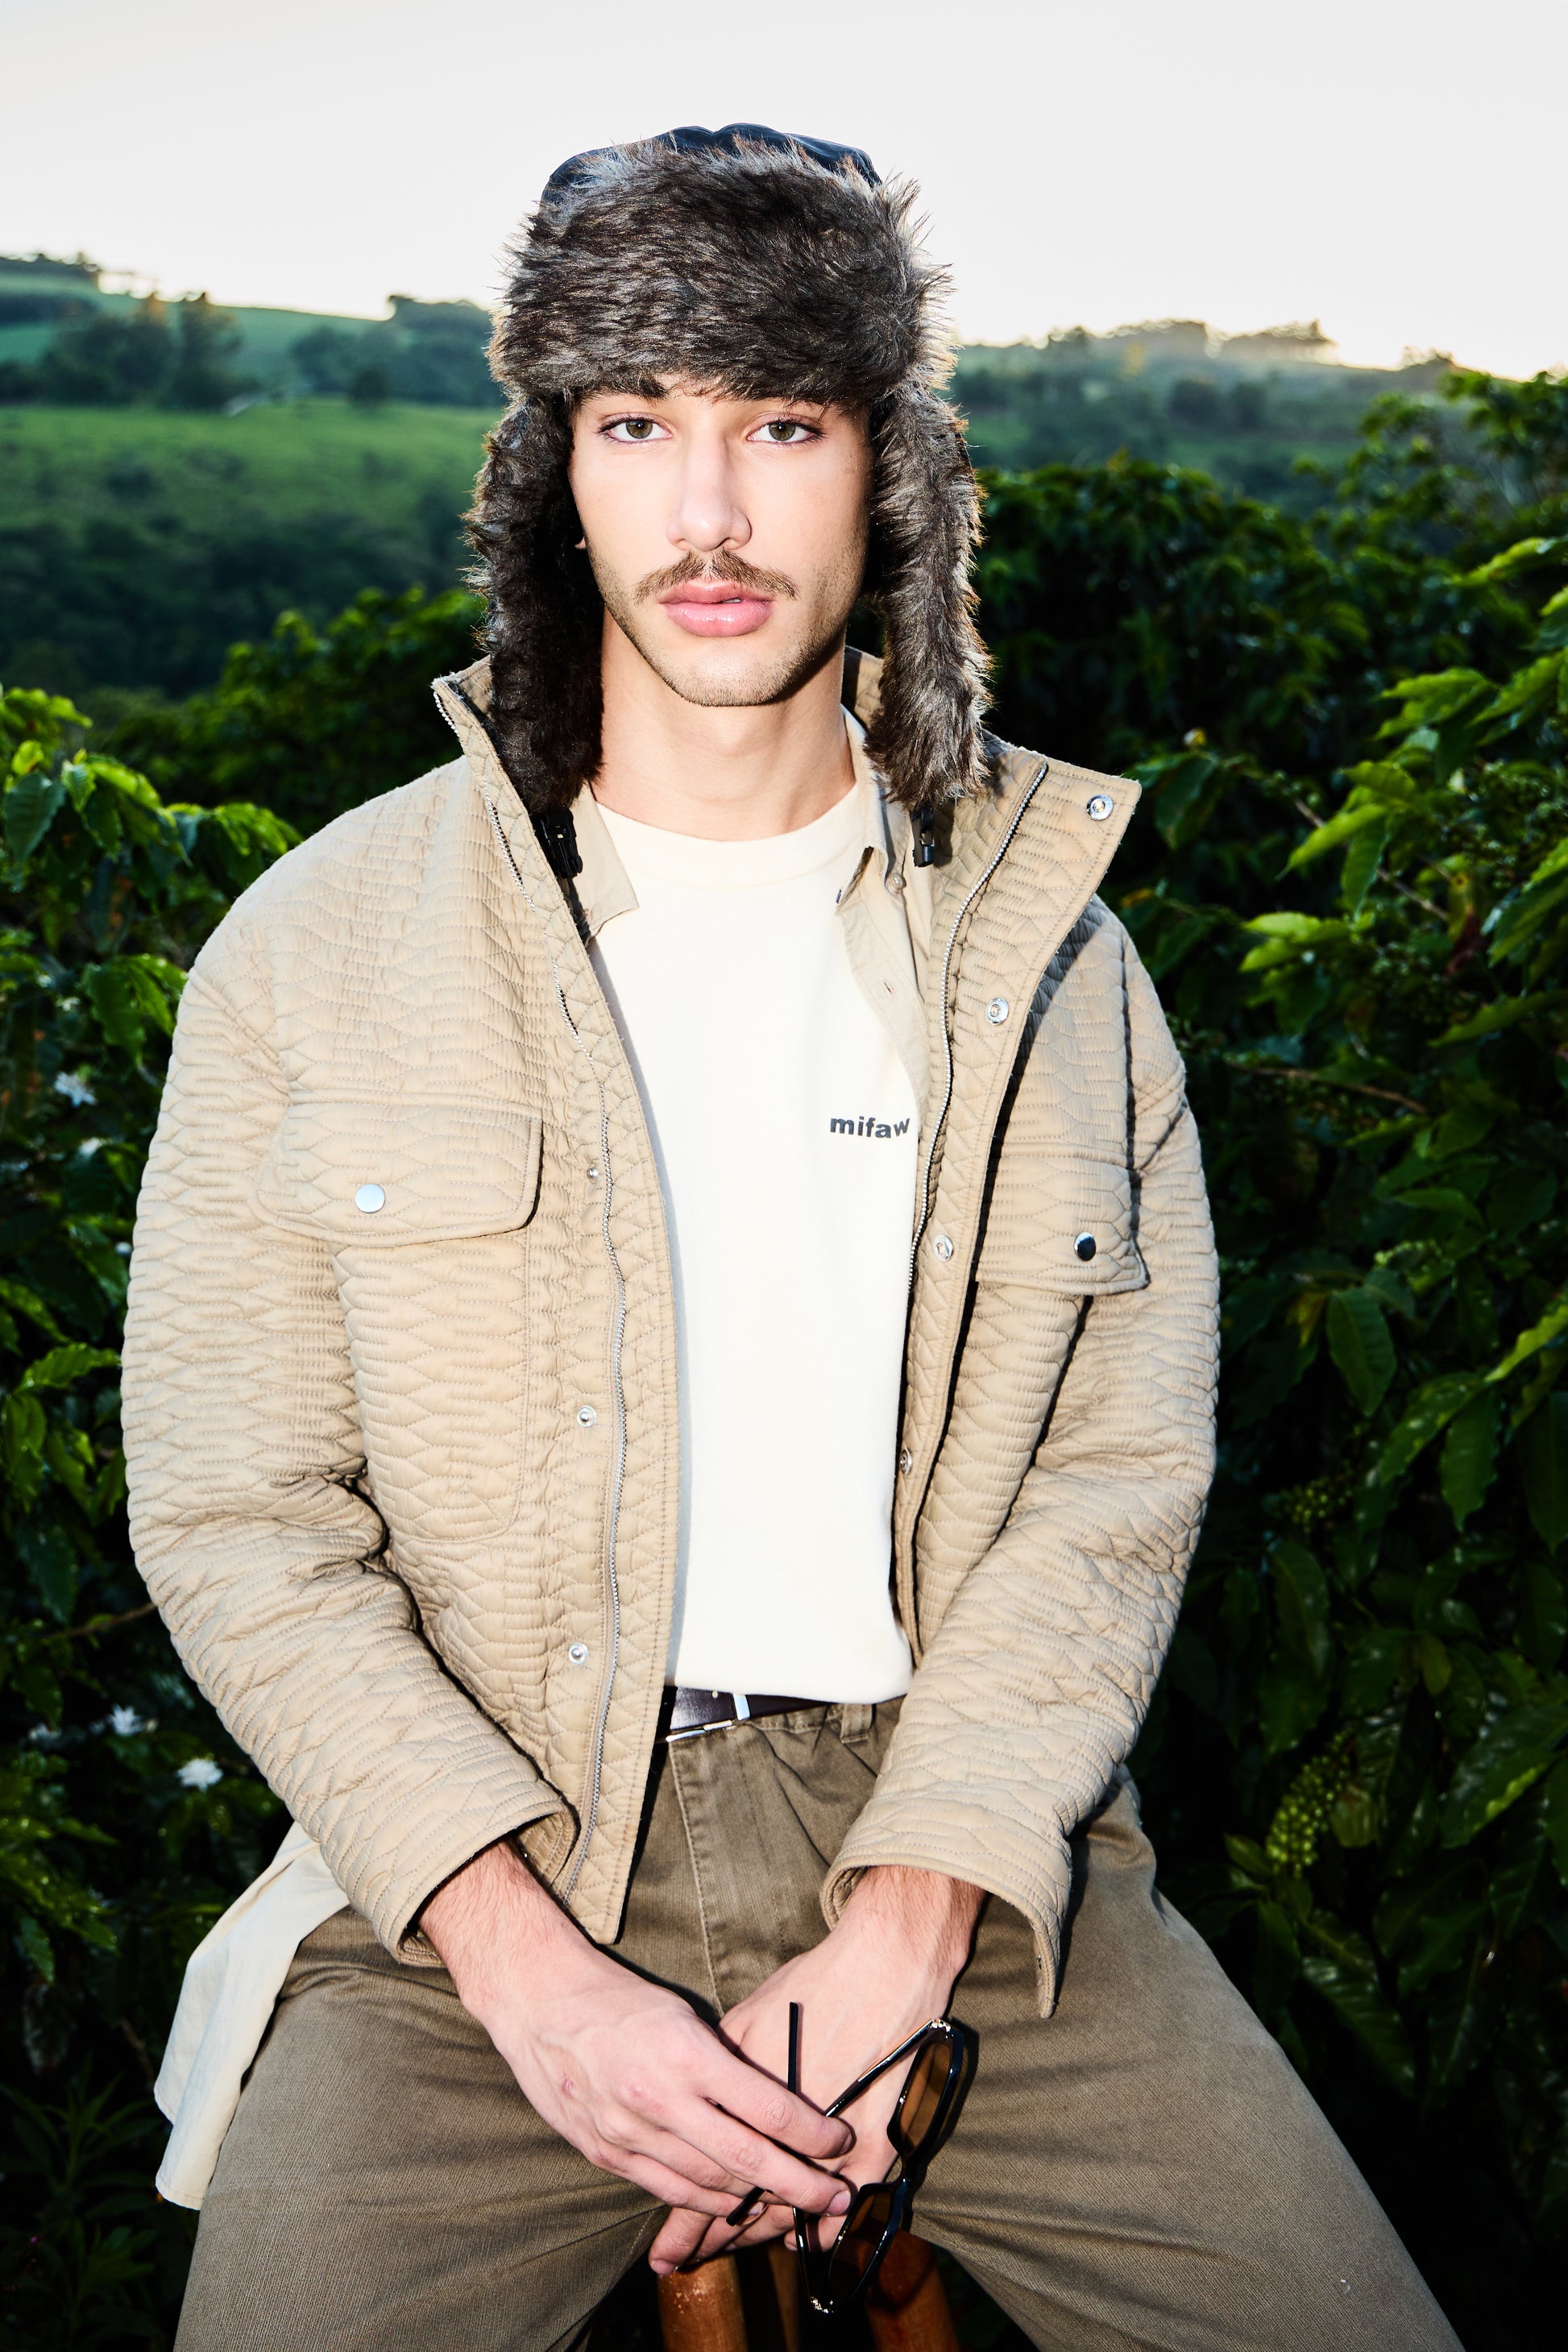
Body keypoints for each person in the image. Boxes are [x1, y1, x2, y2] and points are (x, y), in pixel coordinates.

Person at [122, 125, 1460, 2351]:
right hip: (474, 1879)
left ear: (889, 472)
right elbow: (239, 1510)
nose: (711, 513)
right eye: (639, 425)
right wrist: (527, 1972)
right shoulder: (319, 945)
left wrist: (915, 1917)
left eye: (782, 425)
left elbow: (1112, 1483)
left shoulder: (1052, 956)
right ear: (553, 475)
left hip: (957, 1853)